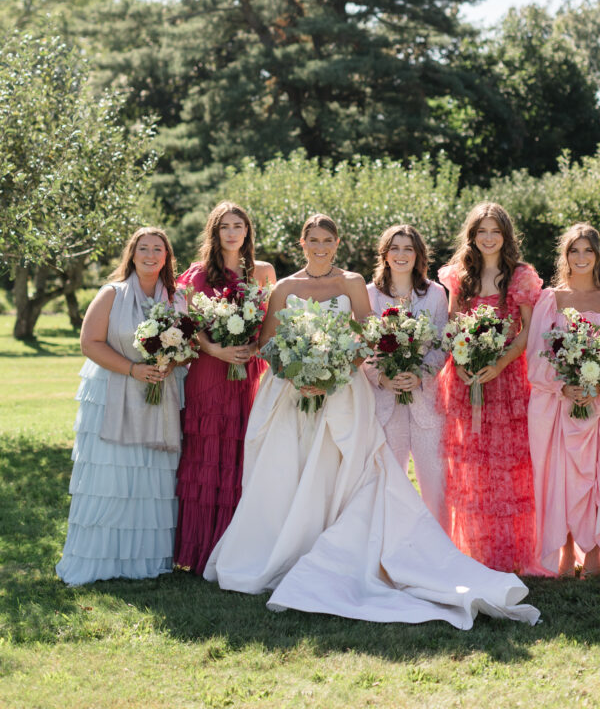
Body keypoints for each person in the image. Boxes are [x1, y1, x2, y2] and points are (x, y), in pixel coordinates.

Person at [203, 214, 540, 630]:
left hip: (350, 391)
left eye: (328, 239)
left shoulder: (354, 284)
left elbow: (365, 338)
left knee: (361, 476)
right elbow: (267, 344)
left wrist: (334, 369)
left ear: (338, 242)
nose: (320, 246)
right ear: (302, 242)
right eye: (313, 240)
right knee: (292, 476)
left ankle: (425, 557)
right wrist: (301, 373)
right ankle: (298, 551)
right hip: (300, 394)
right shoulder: (285, 287)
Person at [56, 228, 187, 585]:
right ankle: (101, 559)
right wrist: (133, 369)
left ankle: (144, 559)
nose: (150, 255)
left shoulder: (177, 299)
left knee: (151, 479)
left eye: (157, 249)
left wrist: (168, 363)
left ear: (166, 257)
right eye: (143, 248)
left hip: (159, 395)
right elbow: (90, 343)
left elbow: (185, 347)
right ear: (132, 254)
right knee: (111, 477)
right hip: (113, 392)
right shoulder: (111, 294)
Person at [526, 223, 600, 577]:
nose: (581, 258)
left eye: (587, 250)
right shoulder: (549, 301)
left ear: (598, 256)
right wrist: (563, 387)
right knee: (559, 477)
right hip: (559, 405)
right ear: (564, 256)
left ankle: (593, 554)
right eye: (573, 251)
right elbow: (536, 355)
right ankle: (563, 553)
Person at [436, 202, 542, 574]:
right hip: (465, 380)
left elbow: (528, 330)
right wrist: (462, 361)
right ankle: (472, 551)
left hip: (508, 379)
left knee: (507, 466)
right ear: (472, 235)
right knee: (471, 465)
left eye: (495, 231)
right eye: (482, 231)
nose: (488, 237)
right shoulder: (458, 275)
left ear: (506, 235)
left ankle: (509, 556)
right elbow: (451, 324)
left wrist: (498, 362)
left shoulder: (521, 276)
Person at [174, 201, 276, 574]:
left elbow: (271, 322)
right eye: (224, 227)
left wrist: (254, 345)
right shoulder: (198, 274)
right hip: (209, 371)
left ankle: (236, 549)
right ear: (214, 233)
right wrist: (215, 348)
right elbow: (188, 321)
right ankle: (200, 549)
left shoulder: (263, 272)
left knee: (241, 453)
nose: (232, 232)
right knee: (207, 453)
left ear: (248, 231)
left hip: (247, 372)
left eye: (239, 225)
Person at [364, 224, 448, 519]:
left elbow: (441, 344)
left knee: (435, 480)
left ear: (418, 255)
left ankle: (439, 550)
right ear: (385, 255)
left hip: (426, 401)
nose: (401, 254)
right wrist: (382, 376)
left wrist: (420, 374)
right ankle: (389, 548)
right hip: (385, 401)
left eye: (408, 248)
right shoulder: (370, 295)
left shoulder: (435, 294)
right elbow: (361, 347)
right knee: (389, 480)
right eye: (395, 248)